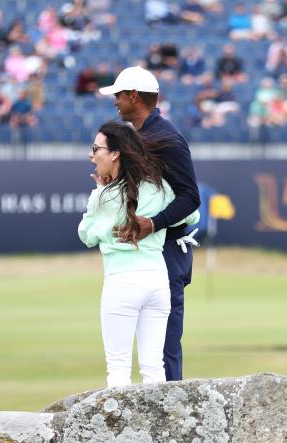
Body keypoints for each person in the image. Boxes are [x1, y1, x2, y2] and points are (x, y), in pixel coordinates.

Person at [78, 121, 199, 387]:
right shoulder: (160, 188)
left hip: (122, 283)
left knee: (119, 369)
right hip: (157, 282)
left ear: (115, 153)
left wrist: (100, 190)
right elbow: (192, 213)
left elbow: (87, 235)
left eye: (96, 148)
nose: (91, 154)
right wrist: (157, 221)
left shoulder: (104, 196)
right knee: (154, 368)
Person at [100, 66, 201, 381]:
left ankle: (172, 423)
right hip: (146, 255)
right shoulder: (135, 137)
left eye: (118, 95)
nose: (115, 101)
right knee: (150, 353)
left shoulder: (167, 138)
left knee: (162, 352)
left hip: (167, 251)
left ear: (133, 96)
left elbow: (190, 197)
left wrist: (153, 223)